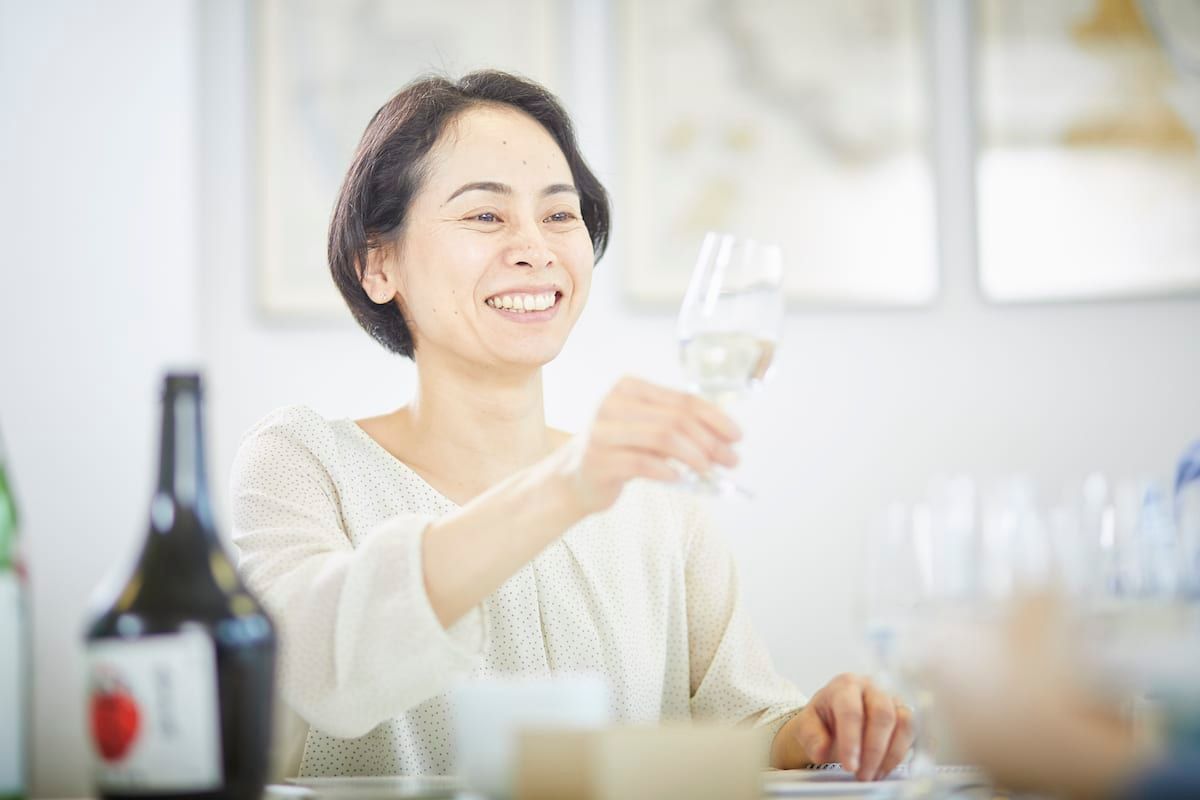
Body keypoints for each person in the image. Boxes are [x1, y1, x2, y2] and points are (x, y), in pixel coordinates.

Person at [230, 70, 911, 780]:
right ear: (377, 263)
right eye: (485, 216)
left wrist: (815, 732)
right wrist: (566, 485)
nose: (537, 247)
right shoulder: (301, 462)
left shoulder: (659, 501)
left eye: (560, 215)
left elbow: (743, 725)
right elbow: (320, 672)